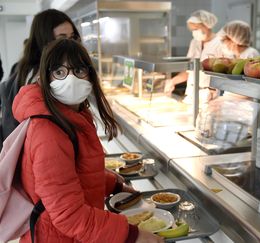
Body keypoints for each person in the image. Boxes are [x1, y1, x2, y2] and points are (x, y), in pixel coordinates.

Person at [13, 38, 163, 243]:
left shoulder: (72, 115)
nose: (71, 79)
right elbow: (69, 216)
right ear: (45, 79)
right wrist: (131, 235)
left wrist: (112, 184)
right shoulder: (48, 131)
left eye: (78, 70)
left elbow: (71, 172)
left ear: (90, 75)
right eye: (59, 72)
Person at [0, 9, 81, 149]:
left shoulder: (24, 67)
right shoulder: (40, 76)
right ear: (45, 41)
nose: (70, 44)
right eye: (62, 39)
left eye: (72, 37)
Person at [164, 10, 222, 103]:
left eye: (196, 29)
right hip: (191, 94)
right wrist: (172, 81)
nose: (194, 33)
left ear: (207, 25)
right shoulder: (194, 42)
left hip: (210, 97)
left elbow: (224, 74)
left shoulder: (220, 43)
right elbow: (189, 70)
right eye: (192, 30)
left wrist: (213, 90)